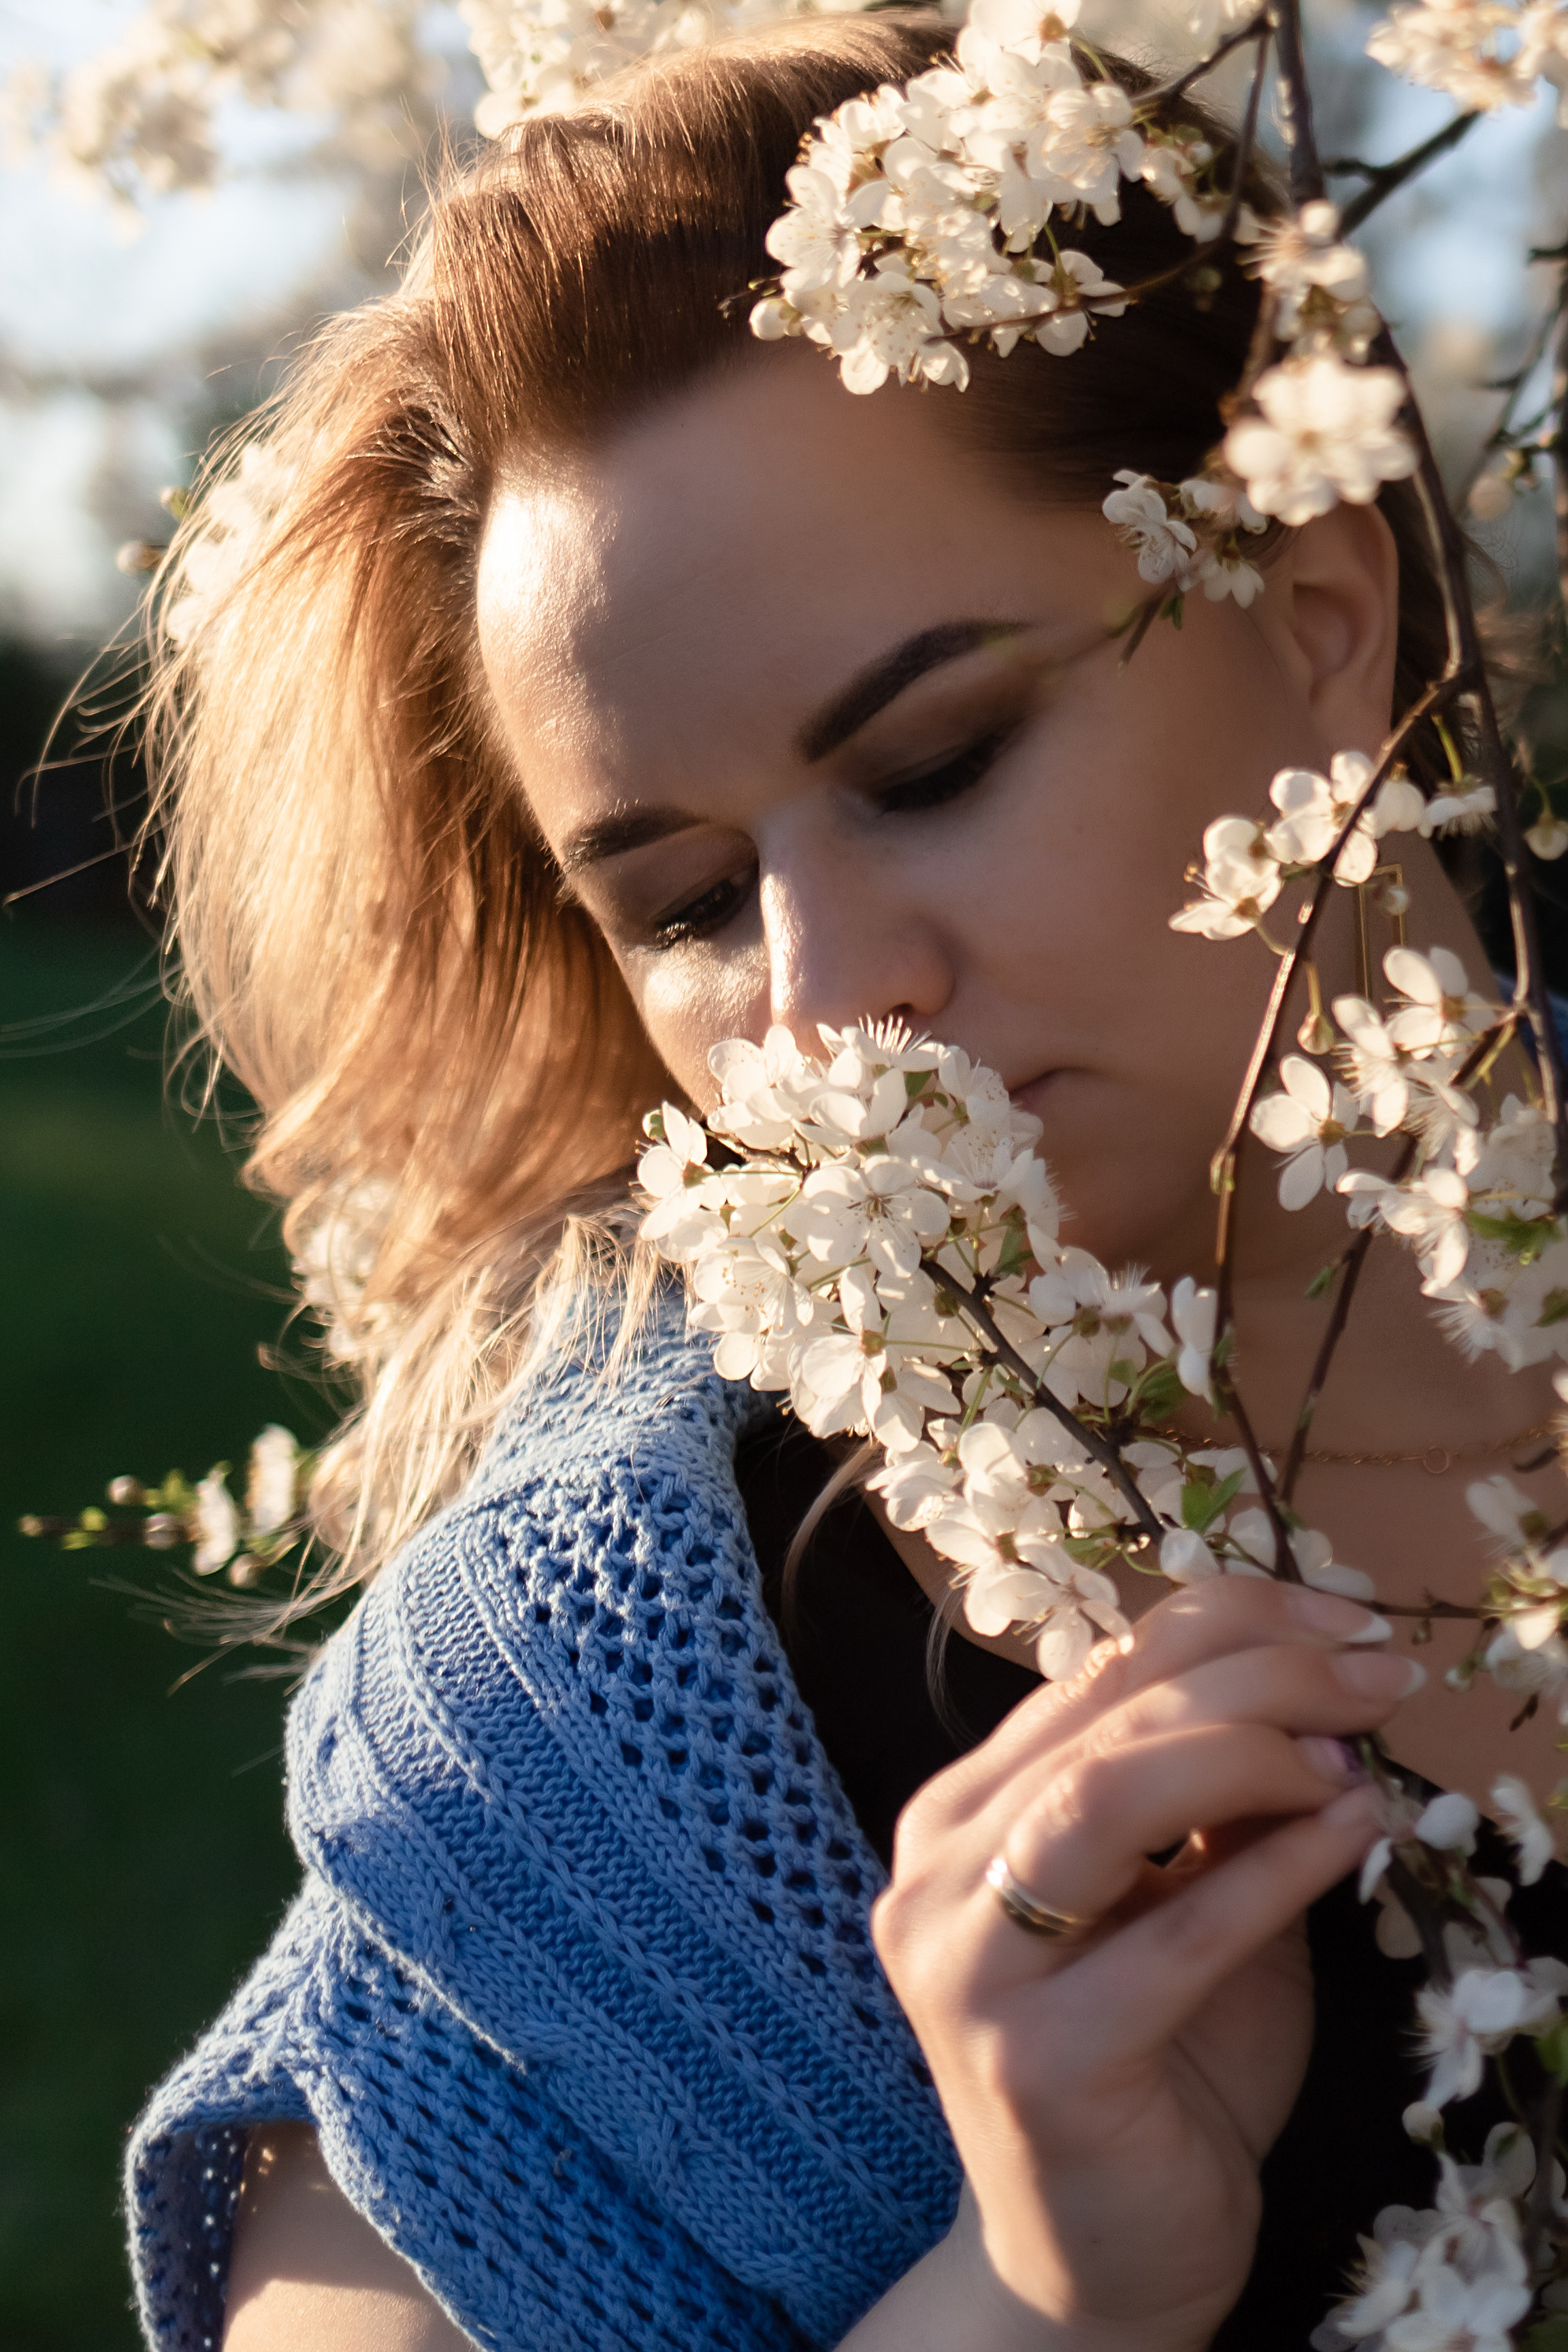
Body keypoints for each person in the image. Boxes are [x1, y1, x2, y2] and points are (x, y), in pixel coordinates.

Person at [123, 12, 1568, 2351]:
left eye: (932, 758)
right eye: (684, 902)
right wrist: (1042, 2292)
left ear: (1319, 610)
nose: (825, 1006)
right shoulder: (597, 1764)